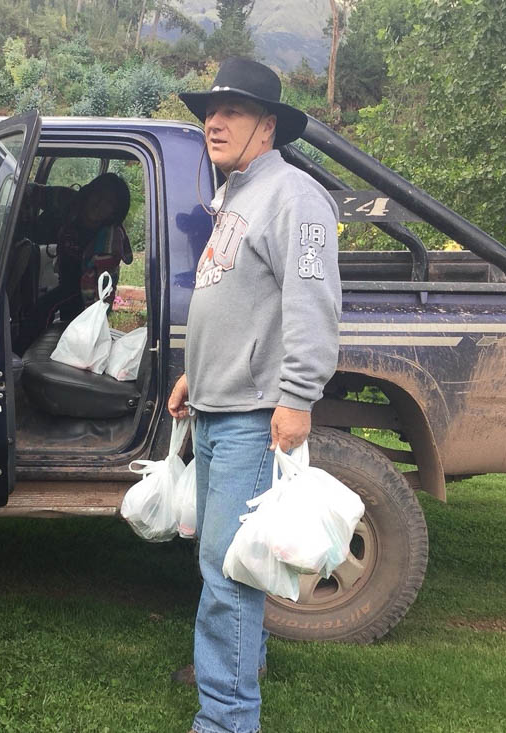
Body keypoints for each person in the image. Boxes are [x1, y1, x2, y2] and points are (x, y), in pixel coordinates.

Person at [167, 57, 342, 733]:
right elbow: (236, 300)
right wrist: (195, 374)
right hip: (216, 407)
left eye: (232, 111)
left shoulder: (294, 196)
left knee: (228, 570)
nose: (214, 122)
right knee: (229, 561)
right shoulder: (238, 195)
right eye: (211, 111)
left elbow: (311, 303)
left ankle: (227, 718)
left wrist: (297, 396)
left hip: (252, 417)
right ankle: (243, 664)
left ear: (267, 126)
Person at [14, 172, 132, 353]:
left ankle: (20, 355)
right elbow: (30, 192)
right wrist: (23, 215)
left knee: (45, 309)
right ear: (90, 191)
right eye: (98, 195)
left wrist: (93, 321)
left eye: (109, 203)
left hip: (87, 289)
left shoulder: (109, 239)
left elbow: (103, 289)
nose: (100, 204)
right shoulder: (68, 201)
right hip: (66, 276)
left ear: (115, 211)